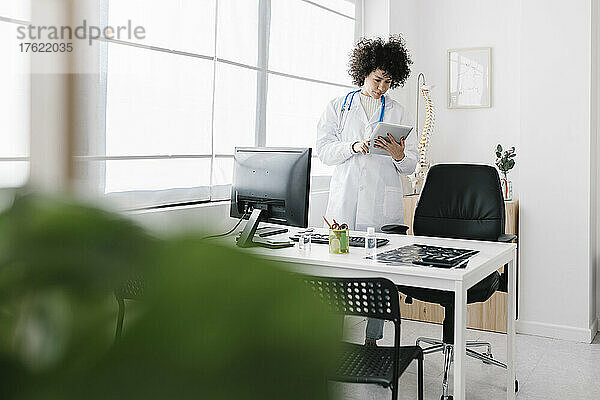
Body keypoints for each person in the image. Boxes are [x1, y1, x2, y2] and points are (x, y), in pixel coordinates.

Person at [315, 35, 417, 345]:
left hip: (380, 205)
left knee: (378, 277)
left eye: (388, 81)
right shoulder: (338, 107)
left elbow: (410, 163)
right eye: (377, 79)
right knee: (338, 274)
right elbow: (323, 151)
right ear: (364, 72)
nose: (382, 87)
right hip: (343, 204)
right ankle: (333, 339)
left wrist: (399, 155)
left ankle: (373, 339)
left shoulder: (398, 112)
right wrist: (354, 146)